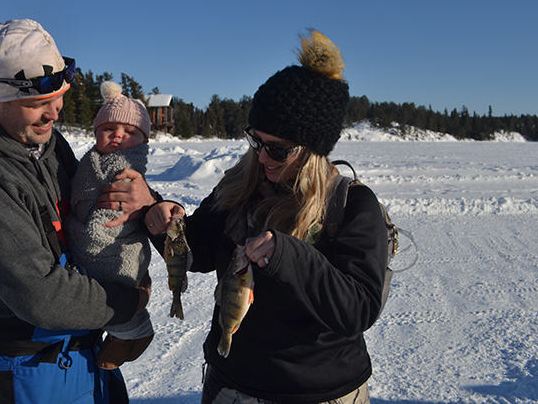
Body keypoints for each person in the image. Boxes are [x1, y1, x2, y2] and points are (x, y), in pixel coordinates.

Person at [145, 30, 388, 403]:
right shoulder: (239, 185)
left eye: (277, 150)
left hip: (317, 392)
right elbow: (202, 249)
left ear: (312, 149)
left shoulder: (352, 205)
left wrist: (287, 256)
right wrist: (162, 219)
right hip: (230, 386)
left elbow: (358, 308)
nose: (261, 157)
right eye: (255, 141)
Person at [0, 19, 156, 404]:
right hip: (26, 373)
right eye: (38, 104)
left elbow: (105, 195)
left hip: (82, 352)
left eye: (60, 96)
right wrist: (131, 302)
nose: (55, 112)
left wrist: (151, 201)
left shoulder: (46, 142)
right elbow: (41, 295)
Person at [65, 81, 155, 371]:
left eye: (129, 132)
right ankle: (128, 331)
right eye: (109, 129)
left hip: (112, 246)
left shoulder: (126, 169)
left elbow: (112, 215)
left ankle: (133, 332)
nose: (117, 135)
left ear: (142, 140)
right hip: (88, 232)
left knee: (110, 294)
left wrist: (87, 242)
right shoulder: (92, 161)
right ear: (96, 133)